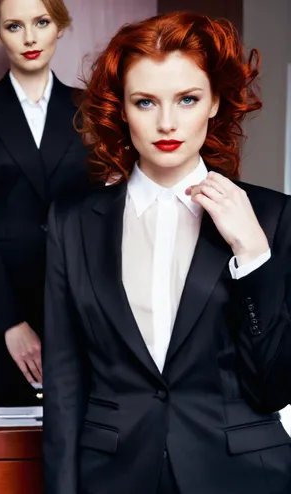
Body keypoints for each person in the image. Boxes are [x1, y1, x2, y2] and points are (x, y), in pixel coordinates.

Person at [42, 11, 291, 494]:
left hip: (241, 476)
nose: (167, 122)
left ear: (215, 102)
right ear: (122, 110)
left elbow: (274, 385)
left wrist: (254, 256)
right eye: (145, 102)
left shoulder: (273, 216)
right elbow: (65, 382)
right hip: (113, 474)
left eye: (187, 99)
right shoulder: (71, 221)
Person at [0, 0, 88, 406]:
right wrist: (9, 320)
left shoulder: (93, 108)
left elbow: (105, 210)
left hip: (80, 303)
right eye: (14, 26)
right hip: (0, 311)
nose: (29, 38)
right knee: (7, 449)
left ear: (59, 27)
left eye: (41, 22)